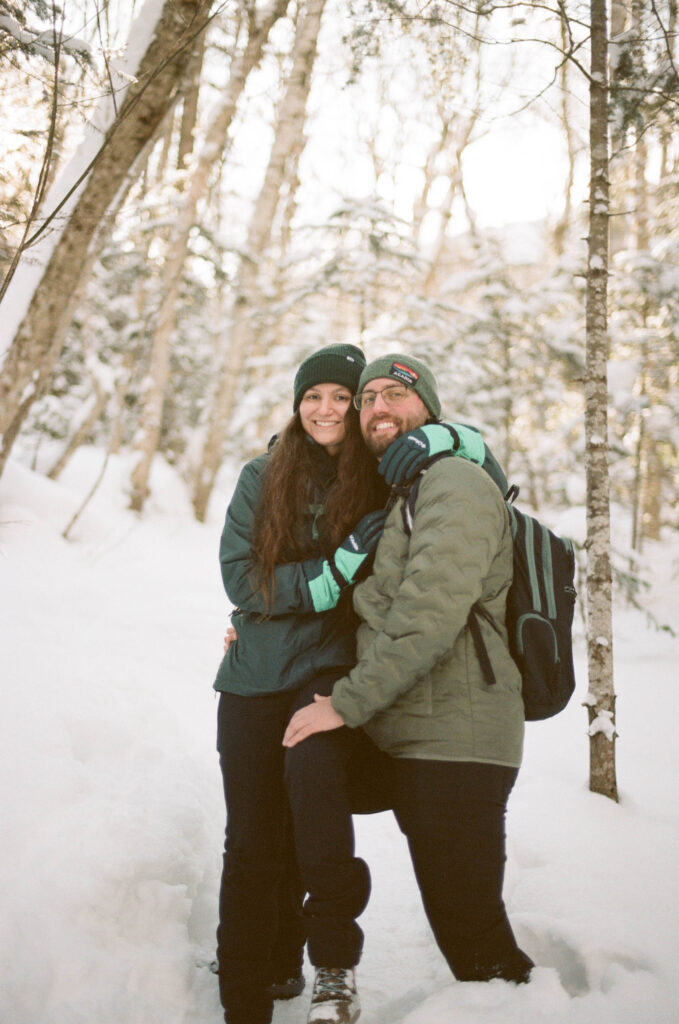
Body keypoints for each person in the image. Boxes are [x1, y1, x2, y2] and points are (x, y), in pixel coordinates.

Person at [283, 353, 534, 1024]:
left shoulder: (453, 480)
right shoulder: (406, 487)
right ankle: (310, 954)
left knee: (473, 943)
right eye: (367, 400)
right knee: (300, 761)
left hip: (457, 739)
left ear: (428, 408)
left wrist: (346, 703)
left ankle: (531, 1009)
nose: (376, 409)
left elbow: (428, 615)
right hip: (398, 730)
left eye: (395, 394)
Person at [213, 343, 394, 1024]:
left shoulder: (379, 479)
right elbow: (241, 577)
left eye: (341, 398)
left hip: (327, 672)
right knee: (252, 841)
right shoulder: (261, 476)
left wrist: (454, 435)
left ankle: (293, 964)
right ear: (296, 404)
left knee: (305, 828)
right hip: (256, 675)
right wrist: (332, 571)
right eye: (312, 396)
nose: (324, 409)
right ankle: (242, 996)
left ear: (357, 408)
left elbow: (468, 468)